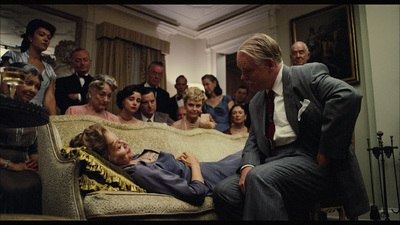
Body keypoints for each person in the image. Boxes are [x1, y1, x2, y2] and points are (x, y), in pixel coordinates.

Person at [212, 33, 369, 220]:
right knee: (224, 191)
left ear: (270, 65)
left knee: (259, 177)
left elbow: (347, 96)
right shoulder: (256, 102)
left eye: (248, 70)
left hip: (312, 162)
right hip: (272, 164)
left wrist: (327, 152)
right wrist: (247, 166)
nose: (243, 77)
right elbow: (253, 140)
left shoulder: (305, 75)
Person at [69, 123, 243, 205]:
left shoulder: (133, 159)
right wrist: (194, 164)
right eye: (119, 146)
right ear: (106, 159)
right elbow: (196, 194)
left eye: (121, 139)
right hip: (211, 178)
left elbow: (163, 166)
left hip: (212, 167)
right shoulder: (140, 172)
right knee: (253, 157)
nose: (126, 144)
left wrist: (176, 162)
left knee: (248, 151)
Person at [0, 62, 43, 214]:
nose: (33, 90)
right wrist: (10, 165)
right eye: (29, 83)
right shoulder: (2, 105)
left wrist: (34, 163)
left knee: (37, 184)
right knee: (11, 189)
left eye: (37, 86)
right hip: (2, 164)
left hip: (23, 167)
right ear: (15, 81)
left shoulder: (34, 113)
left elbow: (34, 149)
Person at [1, 19, 57, 115]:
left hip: (36, 114)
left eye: (49, 37)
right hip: (12, 110)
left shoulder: (49, 69)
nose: (46, 39)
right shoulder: (14, 56)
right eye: (41, 35)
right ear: (30, 37)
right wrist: (9, 107)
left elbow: (49, 99)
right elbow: (3, 86)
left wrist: (53, 124)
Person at [55, 48, 93, 115]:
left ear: (90, 62)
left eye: (85, 60)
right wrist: (88, 98)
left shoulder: (97, 82)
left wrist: (78, 96)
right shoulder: (61, 82)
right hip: (69, 120)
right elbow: (63, 104)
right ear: (71, 63)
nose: (82, 63)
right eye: (78, 61)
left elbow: (100, 103)